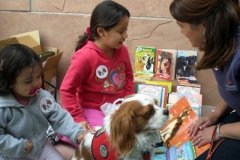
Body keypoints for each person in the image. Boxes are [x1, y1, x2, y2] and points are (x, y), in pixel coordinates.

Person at [169, 0, 240, 159]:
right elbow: (234, 90)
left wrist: (218, 131)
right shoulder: (222, 43)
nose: (182, 33)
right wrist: (215, 115)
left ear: (203, 26)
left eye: (181, 26)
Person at [0, 44, 86, 160]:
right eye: (28, 81)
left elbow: (60, 118)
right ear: (9, 82)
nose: (36, 83)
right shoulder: (3, 108)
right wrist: (20, 146)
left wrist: (77, 133)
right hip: (12, 155)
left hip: (40, 147)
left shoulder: (43, 97)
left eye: (38, 76)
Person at [60, 0, 134, 135]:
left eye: (126, 29)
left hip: (118, 107)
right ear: (101, 31)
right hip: (92, 109)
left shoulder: (122, 50)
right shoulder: (85, 56)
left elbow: (128, 77)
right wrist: (78, 118)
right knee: (103, 140)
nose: (126, 35)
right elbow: (66, 90)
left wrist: (128, 101)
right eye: (121, 31)